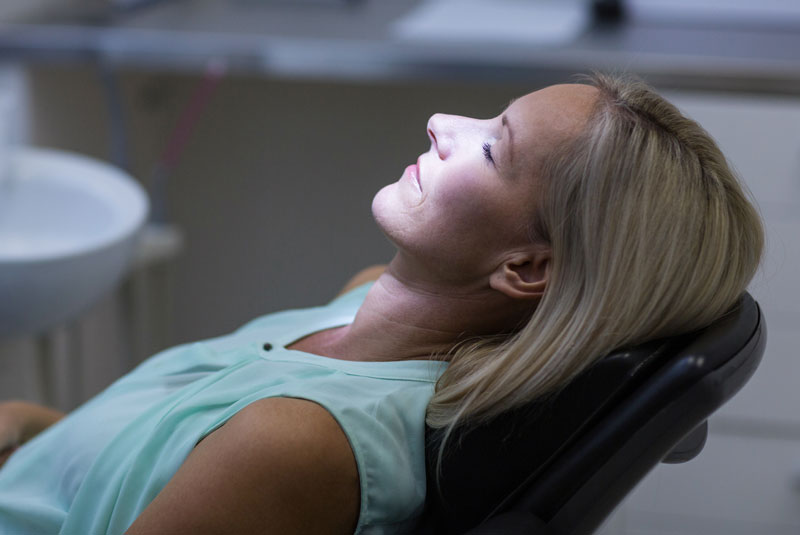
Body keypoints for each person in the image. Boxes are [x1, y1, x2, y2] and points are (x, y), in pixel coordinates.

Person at [0, 73, 763, 534]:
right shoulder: (359, 304)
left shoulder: (297, 443)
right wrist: (36, 430)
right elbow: (170, 468)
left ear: (525, 267)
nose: (441, 123)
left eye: (493, 148)